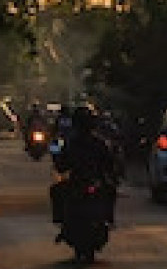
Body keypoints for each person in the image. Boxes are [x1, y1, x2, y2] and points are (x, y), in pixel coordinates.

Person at [49, 103, 117, 241]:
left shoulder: (80, 143)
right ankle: (65, 221)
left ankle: (106, 219)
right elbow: (110, 163)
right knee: (57, 191)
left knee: (110, 191)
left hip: (89, 181)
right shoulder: (95, 143)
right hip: (79, 182)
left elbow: (110, 163)